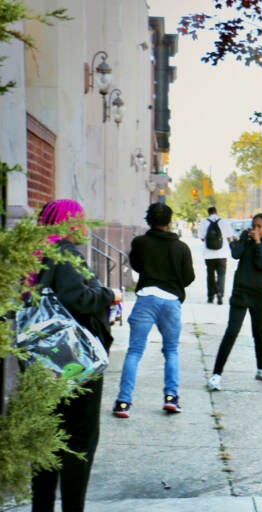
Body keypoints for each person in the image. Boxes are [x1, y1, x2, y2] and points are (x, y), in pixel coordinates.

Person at [32, 199, 122, 512]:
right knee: (79, 442)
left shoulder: (38, 255)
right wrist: (111, 295)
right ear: (69, 222)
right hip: (75, 364)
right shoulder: (65, 254)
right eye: (80, 219)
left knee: (46, 443)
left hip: (43, 364)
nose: (84, 226)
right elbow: (79, 298)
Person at [113, 203, 195, 418]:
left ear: (149, 220)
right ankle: (171, 398)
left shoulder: (140, 243)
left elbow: (136, 266)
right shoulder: (181, 248)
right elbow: (189, 277)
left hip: (146, 298)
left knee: (134, 351)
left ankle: (123, 403)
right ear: (169, 221)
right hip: (171, 301)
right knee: (171, 351)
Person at [207, 213, 262, 390]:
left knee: (259, 333)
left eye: (260, 227)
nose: (256, 229)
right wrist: (242, 239)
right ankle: (216, 374)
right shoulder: (246, 242)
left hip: (259, 294)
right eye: (254, 225)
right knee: (232, 331)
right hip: (241, 292)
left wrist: (257, 243)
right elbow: (235, 254)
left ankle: (261, 369)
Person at [198, 206, 234, 304]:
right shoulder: (224, 222)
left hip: (209, 255)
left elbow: (201, 238)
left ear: (208, 213)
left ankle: (210, 296)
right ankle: (220, 295)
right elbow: (230, 237)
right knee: (221, 275)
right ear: (216, 212)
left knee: (210, 275)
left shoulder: (204, 222)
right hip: (222, 254)